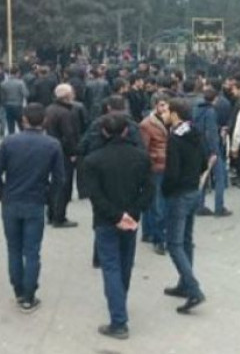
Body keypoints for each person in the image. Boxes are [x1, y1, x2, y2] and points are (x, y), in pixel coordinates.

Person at [84, 113, 154, 339]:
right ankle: (119, 303)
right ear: (126, 131)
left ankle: (118, 319)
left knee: (111, 267)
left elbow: (95, 195)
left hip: (106, 220)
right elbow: (149, 190)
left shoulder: (93, 159)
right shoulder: (141, 157)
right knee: (124, 264)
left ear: (104, 131)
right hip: (131, 219)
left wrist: (116, 216)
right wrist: (131, 213)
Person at [0, 103, 65, 312]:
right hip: (35, 201)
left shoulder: (9, 142)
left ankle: (18, 290)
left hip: (11, 201)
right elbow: (59, 178)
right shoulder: (52, 144)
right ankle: (29, 296)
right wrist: (49, 198)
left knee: (13, 248)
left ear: (23, 120)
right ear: (45, 121)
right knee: (32, 251)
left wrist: (1, 193)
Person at [162, 99, 208, 314]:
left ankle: (193, 289)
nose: (163, 114)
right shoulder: (195, 133)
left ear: (175, 114)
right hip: (193, 190)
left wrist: (166, 190)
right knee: (187, 240)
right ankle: (184, 283)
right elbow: (205, 162)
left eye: (166, 111)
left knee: (174, 244)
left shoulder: (174, 139)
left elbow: (171, 172)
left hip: (179, 194)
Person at [44, 84, 80, 228]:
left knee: (54, 183)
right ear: (67, 96)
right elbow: (68, 135)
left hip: (50, 149)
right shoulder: (66, 113)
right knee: (64, 185)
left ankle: (51, 213)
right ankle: (59, 216)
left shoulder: (49, 109)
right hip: (63, 152)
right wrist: (73, 152)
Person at [139, 96, 170, 255]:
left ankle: (148, 232)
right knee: (158, 204)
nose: (165, 108)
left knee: (155, 201)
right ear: (155, 106)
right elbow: (143, 148)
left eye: (167, 105)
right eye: (162, 105)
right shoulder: (147, 124)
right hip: (155, 166)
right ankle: (158, 239)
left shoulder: (170, 121)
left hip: (167, 165)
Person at [193, 89, 231, 217]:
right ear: (215, 99)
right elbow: (211, 133)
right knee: (220, 178)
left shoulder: (196, 110)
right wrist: (215, 151)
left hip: (199, 148)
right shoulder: (211, 112)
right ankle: (219, 207)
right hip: (210, 149)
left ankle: (199, 205)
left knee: (203, 177)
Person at [1, 66, 29, 136]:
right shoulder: (20, 83)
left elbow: (2, 96)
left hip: (8, 105)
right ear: (17, 73)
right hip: (18, 105)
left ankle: (11, 136)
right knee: (20, 123)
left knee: (10, 123)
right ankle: (23, 136)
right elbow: (26, 94)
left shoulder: (4, 83)